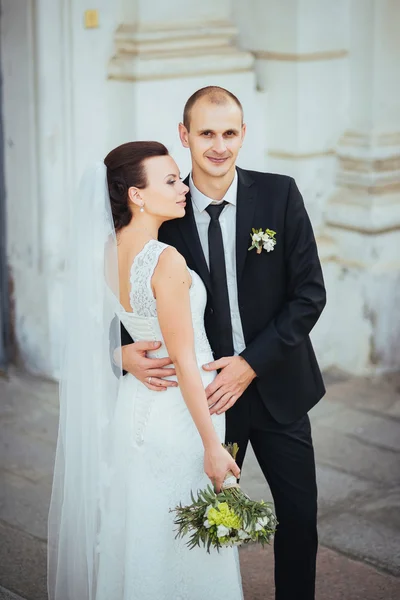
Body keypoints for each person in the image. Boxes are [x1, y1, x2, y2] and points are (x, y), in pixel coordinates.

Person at [117, 86, 327, 600]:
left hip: (277, 386)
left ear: (243, 134)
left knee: (299, 519)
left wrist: (250, 364)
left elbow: (309, 295)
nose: (218, 145)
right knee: (205, 525)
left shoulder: (280, 194)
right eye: (206, 133)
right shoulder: (166, 211)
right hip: (205, 403)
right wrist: (118, 353)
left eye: (229, 132)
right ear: (184, 135)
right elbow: (128, 295)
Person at [47, 142, 243, 600]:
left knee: (141, 535)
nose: (183, 189)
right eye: (171, 181)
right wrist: (213, 447)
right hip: (180, 415)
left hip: (135, 407)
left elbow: (94, 334)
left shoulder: (104, 251)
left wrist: (120, 356)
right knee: (184, 544)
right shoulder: (165, 261)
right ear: (136, 195)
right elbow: (186, 362)